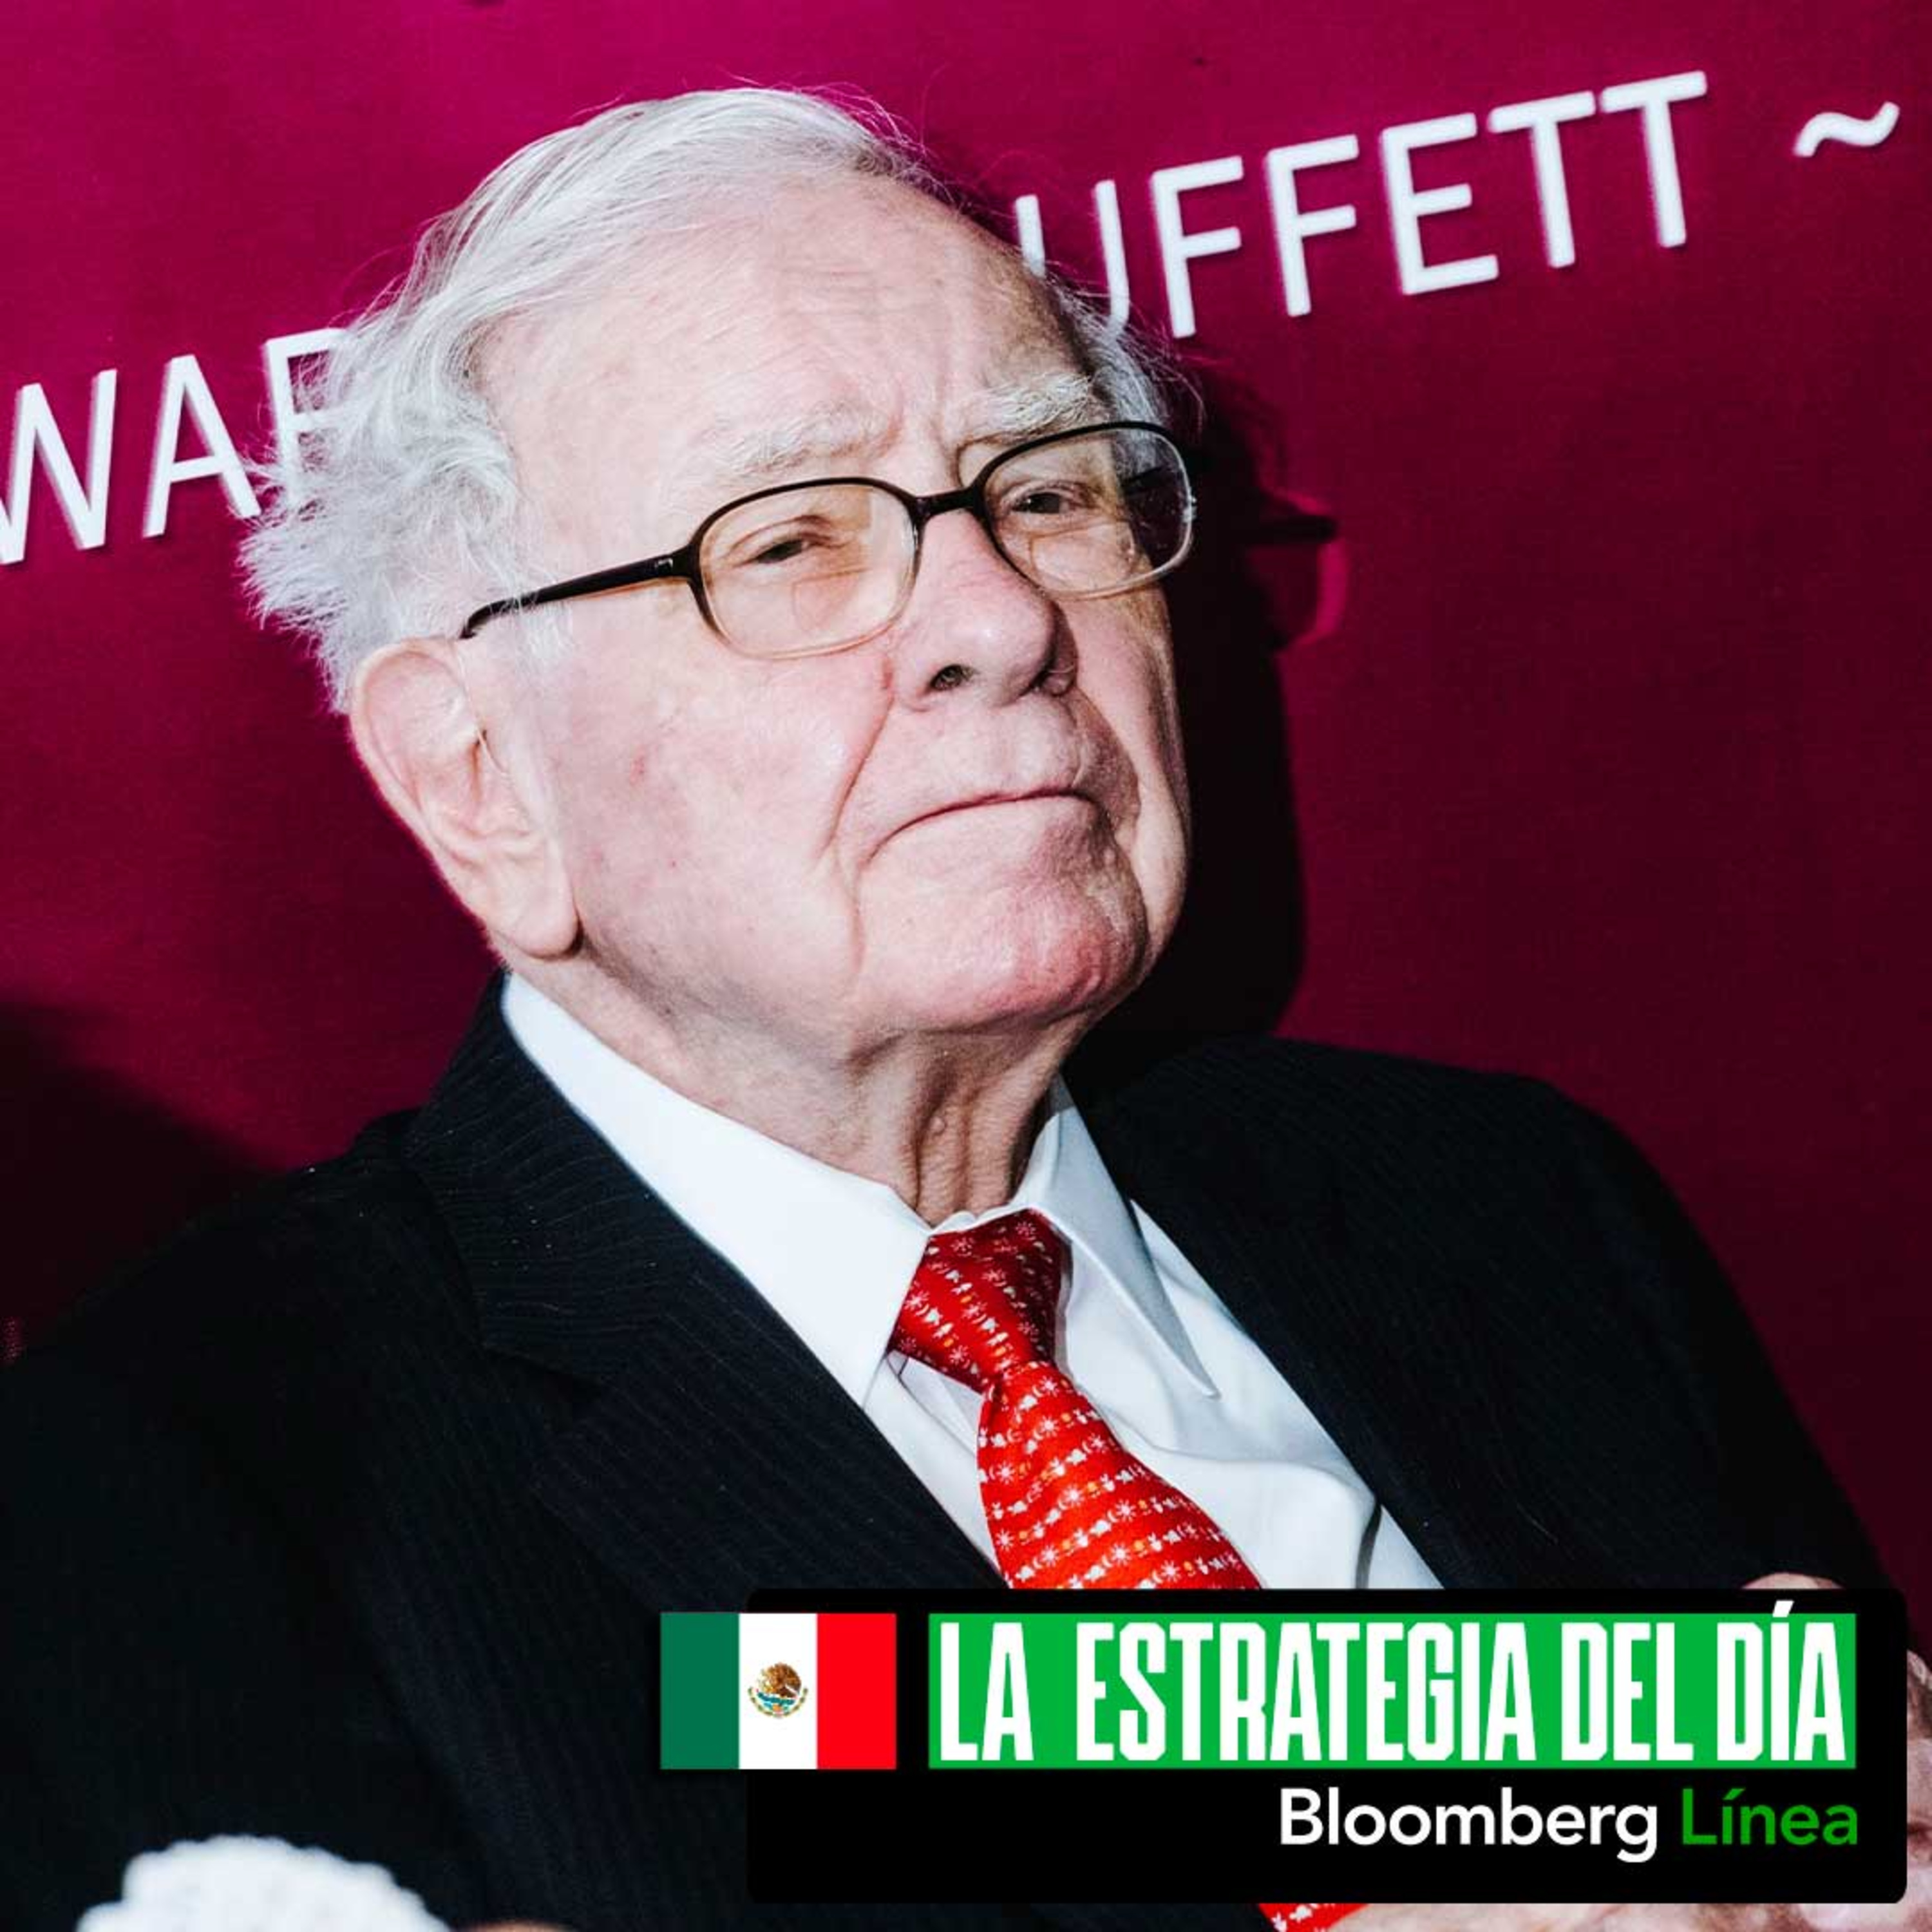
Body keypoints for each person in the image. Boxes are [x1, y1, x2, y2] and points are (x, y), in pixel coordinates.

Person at [0, 88, 1914, 1932]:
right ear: (476, 774)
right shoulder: (172, 1490)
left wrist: (1801, 1813)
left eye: (1052, 491)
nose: (1005, 620)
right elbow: (804, 1730)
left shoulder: (1506, 1207)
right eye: (789, 540)